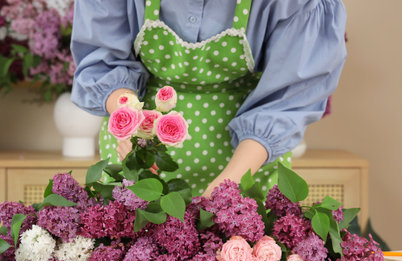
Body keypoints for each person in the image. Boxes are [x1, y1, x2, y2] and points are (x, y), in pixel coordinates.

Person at [70, 0, 347, 197]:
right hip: (140, 155)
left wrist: (229, 187)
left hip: (249, 163)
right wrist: (129, 122)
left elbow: (287, 99)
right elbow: (103, 58)